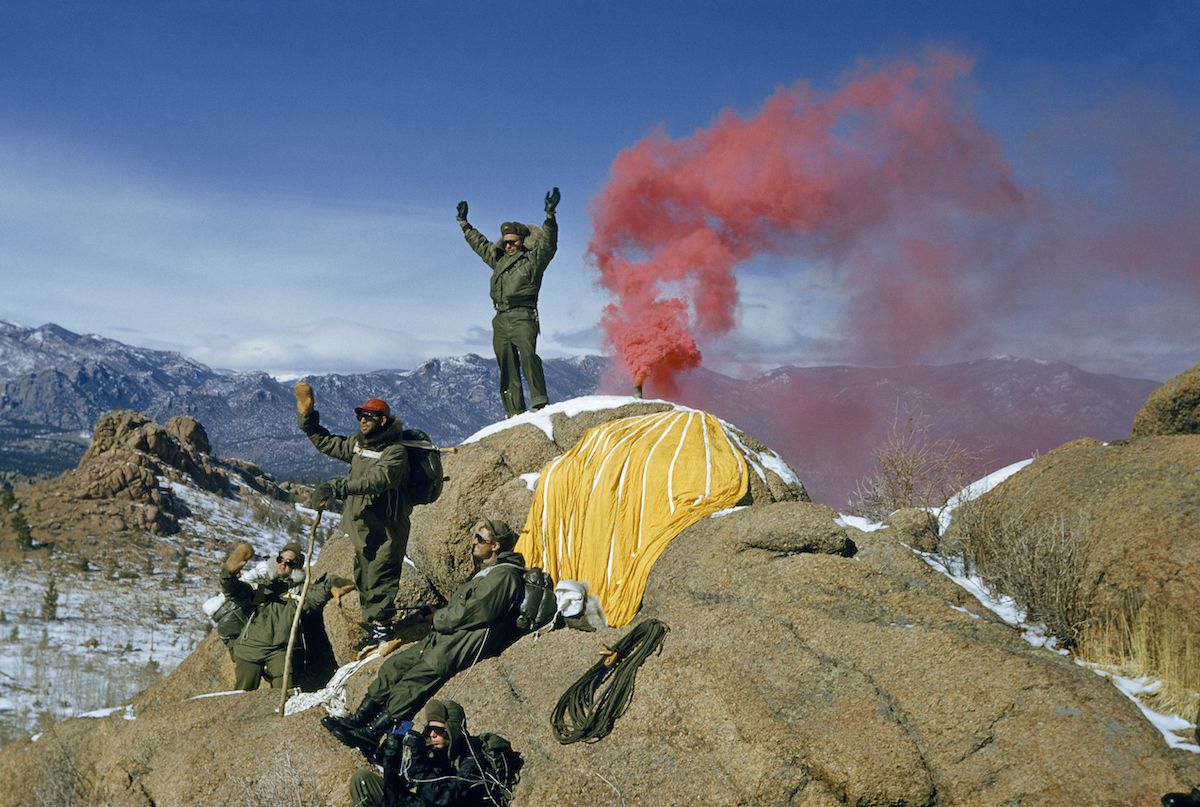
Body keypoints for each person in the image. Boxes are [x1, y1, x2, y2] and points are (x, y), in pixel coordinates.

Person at [322, 519, 526, 758]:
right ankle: (358, 720)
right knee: (393, 666)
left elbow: (475, 612)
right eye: (475, 536)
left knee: (412, 683)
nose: (473, 542)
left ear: (496, 546)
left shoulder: (504, 576)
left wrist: (439, 616)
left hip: (457, 645)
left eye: (480, 539)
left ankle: (373, 734)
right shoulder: (488, 572)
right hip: (443, 638)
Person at [295, 382, 412, 648]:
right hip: (363, 526)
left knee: (380, 576)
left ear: (382, 420)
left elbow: (377, 480)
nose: (362, 421)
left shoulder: (396, 451)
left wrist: (337, 486)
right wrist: (308, 419)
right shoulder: (359, 445)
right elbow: (327, 442)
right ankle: (376, 632)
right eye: (360, 416)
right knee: (364, 577)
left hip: (387, 527)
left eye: (368, 417)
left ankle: (384, 633)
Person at [456, 188, 559, 418]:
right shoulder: (500, 261)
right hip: (500, 318)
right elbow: (482, 246)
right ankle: (514, 412)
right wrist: (464, 224)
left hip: (523, 316)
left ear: (522, 241)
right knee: (506, 365)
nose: (508, 246)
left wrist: (550, 216)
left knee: (528, 358)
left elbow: (548, 245)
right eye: (506, 242)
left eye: (513, 242)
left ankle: (540, 403)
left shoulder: (532, 261)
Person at [219, 541, 354, 691]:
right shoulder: (264, 588)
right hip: (250, 648)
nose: (283, 564)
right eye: (280, 560)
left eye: (289, 563)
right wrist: (228, 575)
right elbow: (239, 594)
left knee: (285, 692)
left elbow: (320, 590)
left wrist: (336, 584)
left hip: (280, 651)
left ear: (296, 568)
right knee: (242, 695)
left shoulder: (299, 593)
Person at [348, 699, 488, 807]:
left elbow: (445, 799)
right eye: (429, 729)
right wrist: (392, 753)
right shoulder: (432, 751)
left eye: (438, 730)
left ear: (454, 731)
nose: (432, 735)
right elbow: (394, 790)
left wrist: (421, 762)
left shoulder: (472, 759)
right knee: (362, 778)